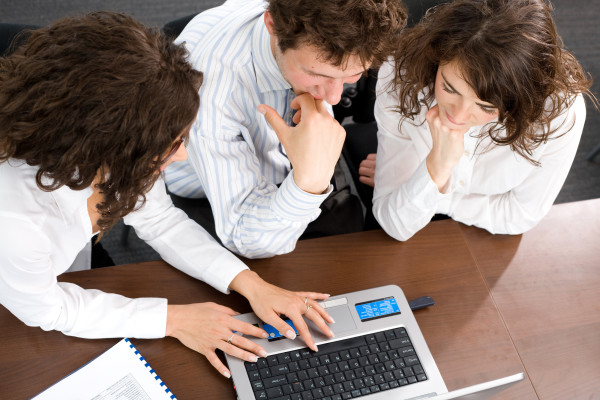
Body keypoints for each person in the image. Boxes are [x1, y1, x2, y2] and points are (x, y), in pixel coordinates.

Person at [0, 12, 335, 380]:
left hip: (65, 265)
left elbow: (159, 219)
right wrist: (175, 319)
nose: (182, 156)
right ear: (109, 144)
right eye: (174, 143)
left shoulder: (112, 147)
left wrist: (252, 285)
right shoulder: (15, 224)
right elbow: (48, 310)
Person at [164, 0, 407, 258]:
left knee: (351, 254)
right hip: (207, 189)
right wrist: (308, 184)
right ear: (272, 26)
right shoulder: (212, 95)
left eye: (352, 74)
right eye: (316, 73)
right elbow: (245, 237)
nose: (334, 98)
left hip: (296, 156)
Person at [359, 0, 594, 241]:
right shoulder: (401, 70)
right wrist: (438, 165)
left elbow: (521, 215)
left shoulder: (560, 112)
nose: (457, 117)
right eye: (449, 88)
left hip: (483, 243)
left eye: (485, 106)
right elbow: (394, 224)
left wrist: (429, 187)